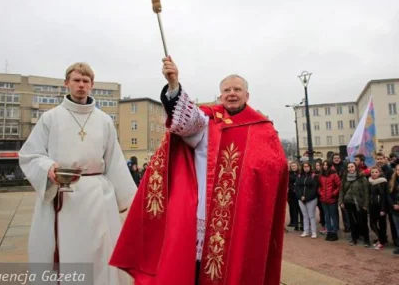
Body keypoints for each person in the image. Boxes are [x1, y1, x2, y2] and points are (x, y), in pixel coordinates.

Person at [110, 56, 289, 285]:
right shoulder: (206, 121)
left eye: (237, 89)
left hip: (241, 213)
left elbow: (276, 167)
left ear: (247, 95)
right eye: (226, 90)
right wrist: (174, 85)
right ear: (220, 95)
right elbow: (185, 122)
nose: (231, 93)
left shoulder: (262, 128)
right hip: (203, 209)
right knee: (194, 266)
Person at [18, 62, 137, 285]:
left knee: (100, 249)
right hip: (62, 193)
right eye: (76, 80)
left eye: (85, 81)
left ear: (91, 85)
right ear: (67, 83)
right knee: (66, 248)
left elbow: (115, 160)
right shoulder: (50, 118)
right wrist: (48, 168)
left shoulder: (104, 120)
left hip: (97, 196)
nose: (81, 85)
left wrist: (128, 199)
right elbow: (30, 154)